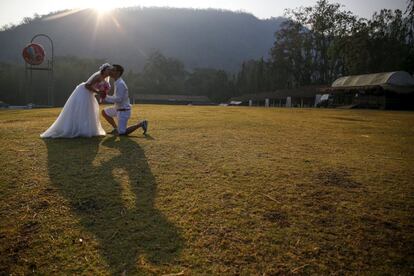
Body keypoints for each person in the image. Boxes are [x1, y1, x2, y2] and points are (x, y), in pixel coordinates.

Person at [40, 63, 111, 138]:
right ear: (103, 70)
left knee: (89, 111)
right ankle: (75, 129)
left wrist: (102, 92)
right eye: (108, 70)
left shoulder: (104, 79)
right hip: (83, 92)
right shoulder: (98, 77)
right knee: (80, 110)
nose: (109, 71)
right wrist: (98, 92)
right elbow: (87, 85)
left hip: (89, 93)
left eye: (110, 70)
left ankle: (84, 129)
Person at [101, 64, 148, 135]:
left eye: (113, 70)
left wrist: (106, 97)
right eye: (111, 70)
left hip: (123, 111)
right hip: (117, 109)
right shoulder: (117, 82)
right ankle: (116, 129)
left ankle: (141, 124)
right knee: (104, 112)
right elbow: (116, 97)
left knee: (122, 132)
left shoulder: (120, 84)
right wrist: (106, 96)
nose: (110, 72)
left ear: (118, 73)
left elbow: (119, 99)